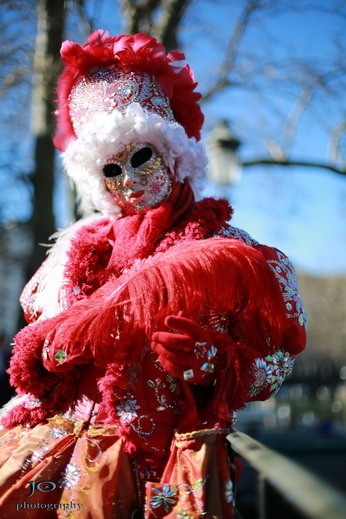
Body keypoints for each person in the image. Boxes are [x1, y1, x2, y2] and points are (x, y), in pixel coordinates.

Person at [0, 31, 306, 518]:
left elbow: (276, 361)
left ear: (172, 152)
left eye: (140, 156)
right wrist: (55, 349)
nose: (130, 179)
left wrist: (211, 363)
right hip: (63, 465)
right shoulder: (73, 256)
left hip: (164, 472)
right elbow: (33, 357)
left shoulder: (233, 255)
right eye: (111, 170)